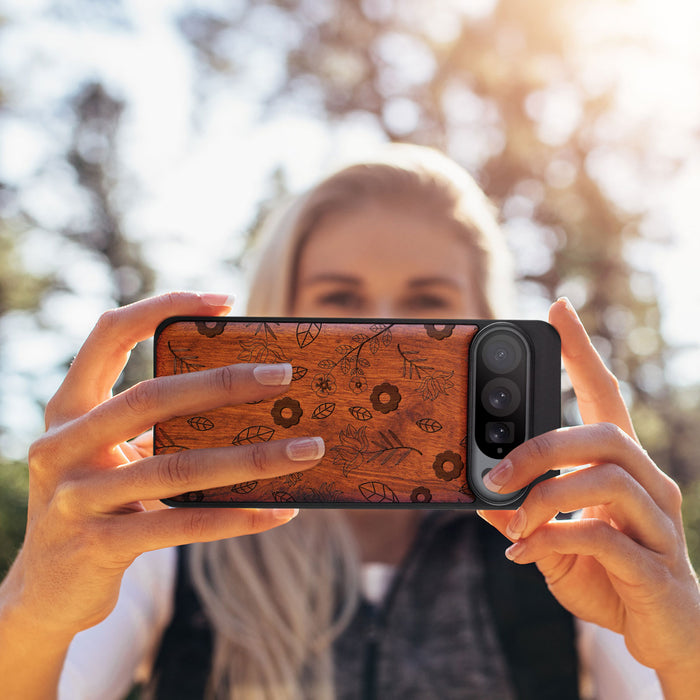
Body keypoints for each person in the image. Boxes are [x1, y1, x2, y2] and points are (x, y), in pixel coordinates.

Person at [0, 145, 698, 700]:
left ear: (487, 324)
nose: (383, 335)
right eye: (339, 301)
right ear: (277, 316)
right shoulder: (170, 535)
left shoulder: (566, 544)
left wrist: (685, 648)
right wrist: (34, 607)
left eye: (428, 304)